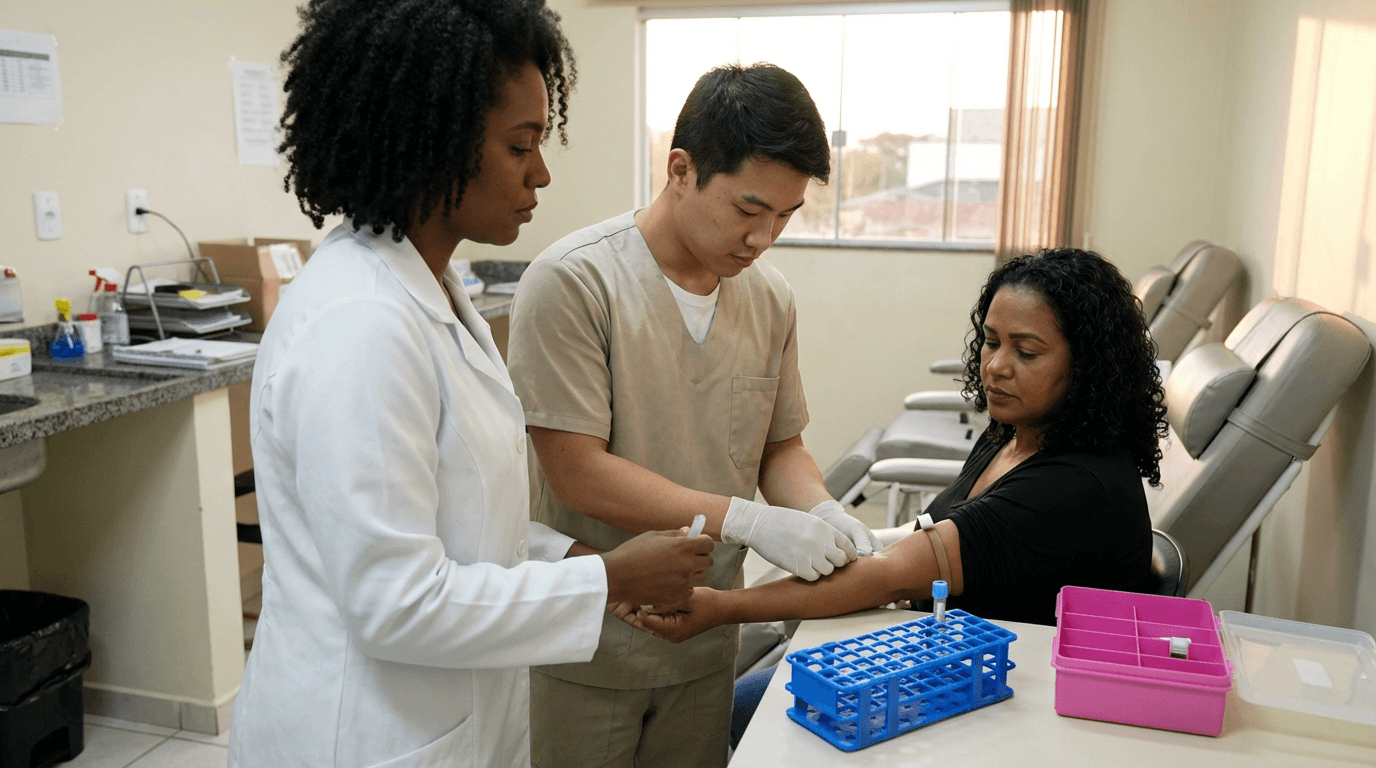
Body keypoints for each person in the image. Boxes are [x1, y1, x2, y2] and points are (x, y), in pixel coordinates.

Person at [227, 3, 714, 767]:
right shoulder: (362, 323)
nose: (541, 173)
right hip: (360, 734)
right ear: (432, 141)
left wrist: (579, 561)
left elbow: (465, 524)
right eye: (520, 145)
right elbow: (395, 604)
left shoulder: (434, 293)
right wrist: (605, 580)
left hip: (445, 715)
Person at [506, 63, 881, 767]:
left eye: (785, 216)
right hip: (590, 639)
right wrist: (749, 522)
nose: (763, 237)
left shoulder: (768, 299)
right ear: (681, 170)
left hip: (707, 638)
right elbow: (577, 472)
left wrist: (821, 509)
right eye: (748, 209)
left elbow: (780, 448)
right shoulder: (574, 282)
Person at [618, 247, 1167, 646]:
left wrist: (721, 607)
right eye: (991, 341)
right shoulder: (1016, 432)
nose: (996, 366)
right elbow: (931, 537)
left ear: (1087, 367)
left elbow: (891, 575)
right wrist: (845, 531)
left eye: (1027, 352)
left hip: (1009, 702)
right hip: (952, 653)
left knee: (747, 715)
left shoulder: (1074, 487)